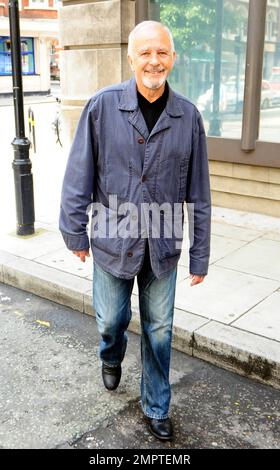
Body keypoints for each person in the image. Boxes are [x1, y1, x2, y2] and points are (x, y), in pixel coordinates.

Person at [59, 21, 211, 441]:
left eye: (162, 52)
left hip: (162, 246)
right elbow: (78, 175)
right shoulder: (101, 107)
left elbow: (199, 192)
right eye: (145, 52)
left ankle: (157, 405)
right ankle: (111, 355)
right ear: (131, 58)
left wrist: (200, 254)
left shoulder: (187, 117)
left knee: (160, 329)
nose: (154, 60)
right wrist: (74, 232)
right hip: (113, 239)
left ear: (173, 59)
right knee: (111, 319)